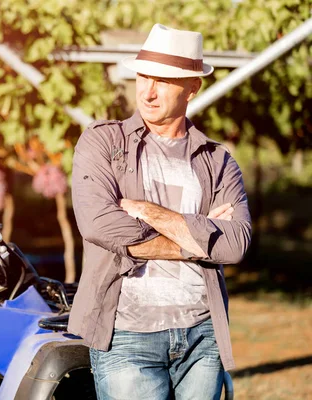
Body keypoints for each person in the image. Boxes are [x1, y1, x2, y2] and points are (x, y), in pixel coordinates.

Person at [68, 24, 252, 400]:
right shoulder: (104, 141)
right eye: (143, 76)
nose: (148, 92)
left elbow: (235, 245)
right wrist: (198, 241)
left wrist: (148, 212)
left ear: (192, 87)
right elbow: (100, 224)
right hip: (127, 335)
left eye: (164, 81)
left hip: (203, 335)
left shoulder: (218, 161)